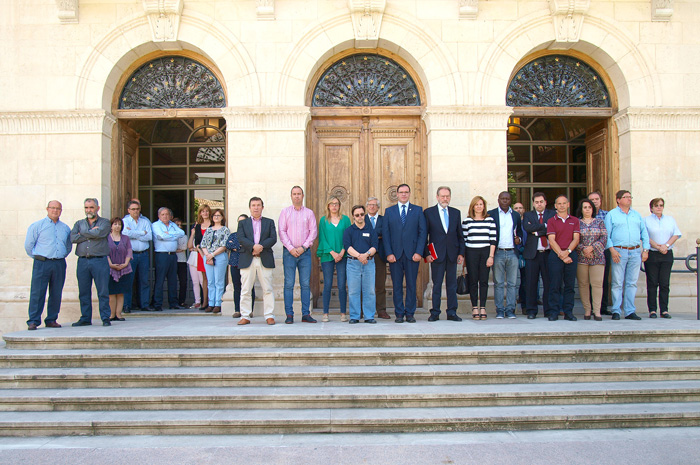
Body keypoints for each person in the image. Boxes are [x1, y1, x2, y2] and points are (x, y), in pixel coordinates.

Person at [383, 183, 427, 323]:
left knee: (411, 285)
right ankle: (399, 314)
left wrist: (419, 252)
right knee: (396, 285)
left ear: (409, 193)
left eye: (406, 192)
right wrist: (389, 253)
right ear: (397, 194)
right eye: (401, 192)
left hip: (412, 255)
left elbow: (422, 233)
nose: (403, 194)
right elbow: (386, 234)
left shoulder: (418, 210)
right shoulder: (389, 211)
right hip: (395, 255)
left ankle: (410, 313)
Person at [24, 200, 72, 330]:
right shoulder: (37, 226)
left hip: (59, 263)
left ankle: (51, 319)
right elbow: (29, 245)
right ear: (47, 209)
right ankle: (33, 320)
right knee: (37, 292)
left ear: (61, 211)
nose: (55, 211)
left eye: (58, 209)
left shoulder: (65, 228)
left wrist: (60, 255)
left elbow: (68, 246)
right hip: (42, 263)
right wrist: (38, 257)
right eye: (53, 208)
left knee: (56, 292)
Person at [604, 190, 650, 321]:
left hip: (635, 251)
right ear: (618, 200)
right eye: (626, 197)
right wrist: (612, 250)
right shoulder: (612, 215)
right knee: (617, 282)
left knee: (632, 282)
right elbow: (607, 234)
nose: (629, 199)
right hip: (619, 251)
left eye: (630, 197)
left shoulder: (636, 215)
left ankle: (630, 311)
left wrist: (645, 250)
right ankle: (616, 310)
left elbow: (644, 233)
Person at [424, 186, 465, 321]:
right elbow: (425, 235)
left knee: (452, 285)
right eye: (442, 196)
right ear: (437, 197)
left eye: (447, 196)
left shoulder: (455, 213)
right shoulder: (429, 213)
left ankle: (452, 312)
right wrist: (426, 254)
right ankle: (435, 312)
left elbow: (460, 235)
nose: (445, 198)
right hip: (436, 255)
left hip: (452, 254)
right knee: (436, 285)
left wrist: (461, 253)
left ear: (450, 197)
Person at [278, 186, 318, 324]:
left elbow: (313, 231)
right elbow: (282, 231)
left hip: (305, 253)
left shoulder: (309, 213)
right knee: (289, 284)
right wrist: (290, 248)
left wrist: (303, 247)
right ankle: (289, 315)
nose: (296, 196)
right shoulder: (285, 212)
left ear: (303, 195)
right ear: (291, 196)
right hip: (289, 253)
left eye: (299, 194)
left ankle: (306, 314)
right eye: (294, 194)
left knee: (305, 284)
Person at [70, 198, 112, 327]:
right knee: (83, 291)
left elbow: (100, 233)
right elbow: (72, 238)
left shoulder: (105, 222)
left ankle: (105, 317)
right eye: (86, 208)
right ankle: (85, 318)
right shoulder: (79, 223)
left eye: (91, 207)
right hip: (83, 261)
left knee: (103, 290)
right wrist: (92, 233)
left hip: (99, 261)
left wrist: (83, 234)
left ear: (97, 208)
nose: (89, 210)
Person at [237, 197, 276, 325]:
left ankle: (269, 315)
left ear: (262, 207)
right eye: (253, 205)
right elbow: (241, 238)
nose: (256, 207)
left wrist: (260, 247)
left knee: (268, 289)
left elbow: (273, 238)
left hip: (264, 259)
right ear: (250, 207)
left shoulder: (269, 222)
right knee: (246, 289)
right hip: (248, 259)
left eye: (258, 205)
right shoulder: (243, 223)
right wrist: (253, 247)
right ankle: (245, 315)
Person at [488, 191, 523, 319]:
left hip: (512, 252)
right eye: (502, 198)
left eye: (507, 199)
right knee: (498, 283)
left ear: (510, 201)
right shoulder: (491, 214)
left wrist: (519, 239)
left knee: (512, 283)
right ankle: (499, 310)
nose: (504, 201)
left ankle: (510, 309)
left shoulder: (515, 215)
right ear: (498, 200)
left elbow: (519, 231)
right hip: (498, 252)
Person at [645, 198, 682, 319]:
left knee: (665, 283)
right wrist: (657, 246)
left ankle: (664, 310)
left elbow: (676, 234)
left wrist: (665, 246)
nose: (659, 207)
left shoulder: (670, 219)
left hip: (667, 253)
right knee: (652, 282)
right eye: (656, 206)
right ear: (651, 208)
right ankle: (652, 310)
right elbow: (645, 236)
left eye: (661, 205)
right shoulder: (646, 220)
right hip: (653, 253)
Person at [461, 196, 497, 320]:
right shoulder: (467, 221)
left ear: (484, 206)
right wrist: (464, 259)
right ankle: (474, 307)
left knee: (484, 281)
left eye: (481, 204)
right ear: (472, 206)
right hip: (471, 252)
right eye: (476, 204)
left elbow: (493, 240)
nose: (478, 206)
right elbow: (464, 241)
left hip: (486, 252)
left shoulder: (490, 220)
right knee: (473, 281)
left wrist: (491, 256)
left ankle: (483, 307)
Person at [546, 195, 580, 321]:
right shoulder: (551, 221)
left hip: (571, 255)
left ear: (568, 204)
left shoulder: (575, 220)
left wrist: (568, 252)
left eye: (564, 203)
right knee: (555, 285)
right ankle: (554, 312)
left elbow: (576, 238)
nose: (561, 205)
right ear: (555, 206)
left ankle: (568, 312)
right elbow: (551, 240)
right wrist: (561, 254)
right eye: (559, 203)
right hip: (555, 255)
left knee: (570, 286)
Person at [317, 196, 351, 322]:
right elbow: (322, 239)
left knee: (342, 285)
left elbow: (348, 237)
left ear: (339, 205)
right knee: (327, 284)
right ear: (328, 206)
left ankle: (343, 313)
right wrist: (333, 253)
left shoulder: (345, 220)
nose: (334, 206)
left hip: (343, 255)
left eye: (336, 204)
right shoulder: (323, 220)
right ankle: (325, 313)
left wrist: (342, 252)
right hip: (327, 255)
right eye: (332, 204)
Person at [343, 205, 379, 324]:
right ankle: (355, 316)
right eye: (357, 215)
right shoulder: (348, 231)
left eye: (362, 214)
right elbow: (347, 247)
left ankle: (369, 316)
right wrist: (359, 256)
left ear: (364, 215)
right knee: (353, 291)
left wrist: (366, 255)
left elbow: (375, 246)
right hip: (353, 263)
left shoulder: (371, 230)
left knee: (369, 290)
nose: (360, 217)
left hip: (368, 263)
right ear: (353, 216)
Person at [522, 192, 555, 319]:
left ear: (545, 202)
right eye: (536, 202)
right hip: (532, 254)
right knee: (531, 283)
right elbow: (527, 228)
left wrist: (536, 230)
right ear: (533, 203)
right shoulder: (528, 215)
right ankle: (531, 310)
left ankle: (548, 310)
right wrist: (544, 227)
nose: (539, 204)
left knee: (548, 283)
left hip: (548, 253)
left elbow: (552, 228)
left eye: (541, 201)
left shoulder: (552, 214)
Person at [575, 198, 607, 321]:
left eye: (589, 207)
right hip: (582, 258)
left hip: (597, 257)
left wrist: (592, 248)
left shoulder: (599, 222)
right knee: (583, 284)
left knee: (597, 284)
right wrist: (584, 249)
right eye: (585, 207)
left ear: (592, 209)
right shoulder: (577, 223)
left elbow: (604, 238)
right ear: (581, 209)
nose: (587, 209)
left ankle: (597, 311)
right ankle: (587, 310)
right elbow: (574, 239)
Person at [152, 207, 185, 311]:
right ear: (159, 216)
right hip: (161, 255)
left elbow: (182, 233)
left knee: (172, 280)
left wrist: (169, 235)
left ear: (170, 216)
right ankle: (157, 304)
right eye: (163, 214)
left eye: (167, 214)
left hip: (172, 255)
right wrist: (173, 236)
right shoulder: (155, 225)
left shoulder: (172, 224)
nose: (165, 216)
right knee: (160, 280)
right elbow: (161, 236)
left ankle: (173, 303)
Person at [122, 199, 151, 313]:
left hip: (143, 254)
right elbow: (125, 235)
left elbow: (149, 237)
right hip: (130, 255)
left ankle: (144, 304)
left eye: (138, 209)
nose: (136, 211)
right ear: (128, 210)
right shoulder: (124, 221)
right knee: (129, 280)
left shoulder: (145, 221)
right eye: (133, 209)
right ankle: (126, 305)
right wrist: (141, 233)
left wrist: (134, 233)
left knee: (144, 280)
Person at [198, 209, 230, 314]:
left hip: (219, 256)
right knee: (210, 281)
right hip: (207, 257)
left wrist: (212, 255)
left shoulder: (225, 230)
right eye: (215, 215)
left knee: (218, 281)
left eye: (219, 215)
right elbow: (203, 244)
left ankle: (218, 303)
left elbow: (224, 245)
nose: (216, 217)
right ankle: (210, 303)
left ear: (222, 217)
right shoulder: (209, 230)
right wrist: (208, 255)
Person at [365, 197, 390, 319]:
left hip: (380, 256)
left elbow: (386, 233)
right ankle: (361, 310)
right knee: (364, 285)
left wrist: (371, 235)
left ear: (378, 207)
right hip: (365, 256)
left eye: (374, 205)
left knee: (380, 285)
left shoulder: (384, 219)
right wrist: (377, 235)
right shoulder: (362, 219)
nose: (372, 207)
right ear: (367, 206)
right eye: (370, 205)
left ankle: (381, 310)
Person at [588, 191, 612, 315]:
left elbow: (608, 234)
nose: (595, 201)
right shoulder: (584, 216)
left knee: (604, 279)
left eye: (597, 199)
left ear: (600, 200)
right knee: (589, 280)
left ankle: (603, 307)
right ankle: (591, 307)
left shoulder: (608, 215)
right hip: (588, 252)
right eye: (592, 199)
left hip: (604, 250)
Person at [226, 214, 255, 318]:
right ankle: (237, 310)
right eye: (239, 222)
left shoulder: (251, 236)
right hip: (234, 264)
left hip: (247, 263)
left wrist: (238, 247)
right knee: (237, 287)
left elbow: (250, 246)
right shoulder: (233, 235)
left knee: (249, 287)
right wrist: (242, 246)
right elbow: (228, 245)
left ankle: (249, 310)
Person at [107, 217, 133, 322]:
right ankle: (112, 314)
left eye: (119, 224)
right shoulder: (106, 238)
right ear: (111, 226)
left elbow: (129, 251)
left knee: (121, 292)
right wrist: (111, 264)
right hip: (110, 269)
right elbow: (105, 252)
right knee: (112, 292)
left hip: (124, 268)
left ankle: (119, 314)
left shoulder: (125, 238)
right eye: (115, 224)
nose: (117, 226)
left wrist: (125, 263)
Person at [187, 204, 212, 310]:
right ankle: (205, 302)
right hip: (201, 255)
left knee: (212, 279)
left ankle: (213, 302)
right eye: (203, 211)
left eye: (207, 211)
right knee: (204, 279)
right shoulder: (198, 226)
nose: (205, 213)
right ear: (200, 213)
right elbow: (197, 242)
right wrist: (202, 253)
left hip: (212, 254)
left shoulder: (213, 224)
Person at [513, 201, 527, 313]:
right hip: (514, 253)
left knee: (526, 280)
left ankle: (525, 302)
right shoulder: (512, 221)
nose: (518, 209)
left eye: (520, 207)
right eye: (516, 208)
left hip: (527, 253)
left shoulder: (527, 222)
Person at [173, 218, 189, 307]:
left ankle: (182, 300)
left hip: (182, 260)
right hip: (173, 259)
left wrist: (175, 249)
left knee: (183, 281)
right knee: (173, 281)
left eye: (180, 225)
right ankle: (173, 301)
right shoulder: (171, 235)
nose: (179, 227)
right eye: (176, 225)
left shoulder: (184, 236)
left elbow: (184, 247)